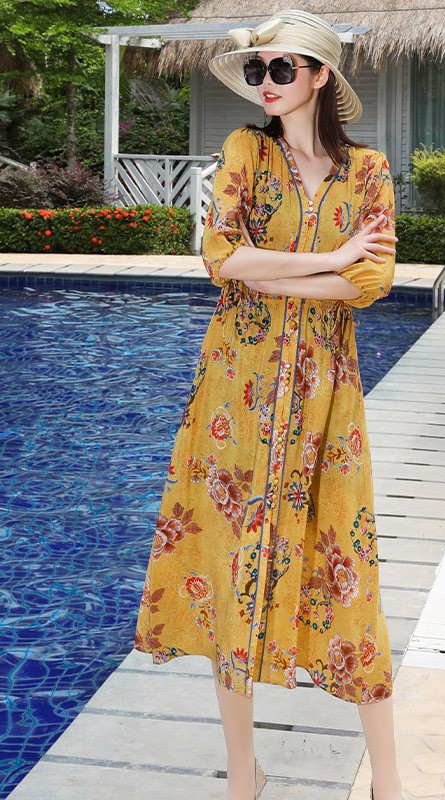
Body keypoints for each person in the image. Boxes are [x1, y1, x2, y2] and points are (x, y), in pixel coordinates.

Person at [134, 9, 403, 800]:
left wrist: (287, 274)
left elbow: (374, 282)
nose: (267, 83)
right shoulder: (245, 152)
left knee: (348, 570)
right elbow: (222, 259)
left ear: (321, 77)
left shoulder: (369, 171)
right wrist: (331, 260)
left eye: (283, 68)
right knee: (232, 569)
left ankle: (390, 783)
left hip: (327, 398)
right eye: (258, 70)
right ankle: (241, 778)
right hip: (238, 392)